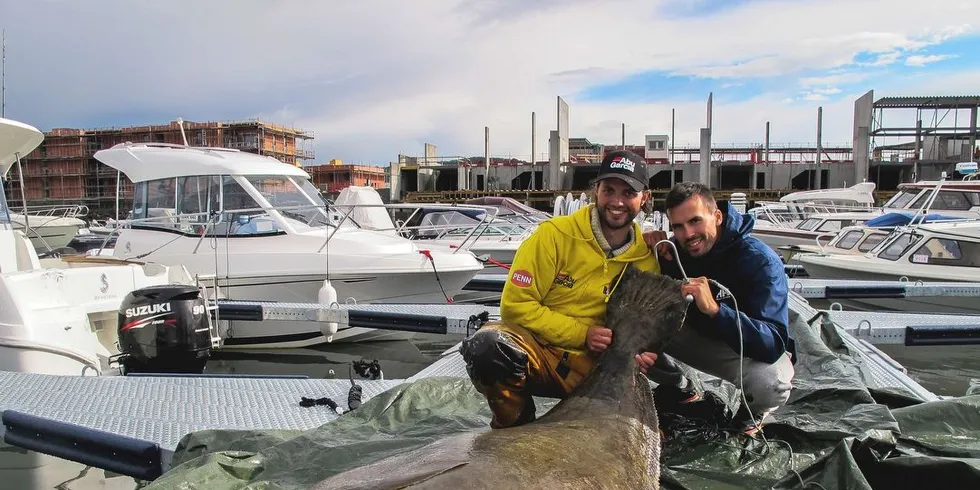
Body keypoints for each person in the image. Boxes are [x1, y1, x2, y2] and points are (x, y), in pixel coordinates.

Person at [459, 150, 661, 429]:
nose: (617, 201)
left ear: (645, 199)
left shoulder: (649, 258)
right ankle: (513, 425)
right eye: (609, 190)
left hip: (597, 373)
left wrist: (645, 352)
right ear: (595, 191)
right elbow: (515, 306)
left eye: (628, 193)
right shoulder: (552, 235)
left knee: (654, 431)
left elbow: (646, 328)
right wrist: (583, 334)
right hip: (540, 357)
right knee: (488, 347)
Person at [640, 181, 796, 436]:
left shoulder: (760, 261)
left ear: (717, 216)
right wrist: (646, 248)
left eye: (695, 221)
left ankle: (751, 415)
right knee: (630, 325)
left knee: (772, 384)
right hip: (692, 340)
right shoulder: (673, 252)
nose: (688, 234)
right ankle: (681, 385)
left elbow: (774, 342)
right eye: (678, 226)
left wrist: (716, 311)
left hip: (741, 349)